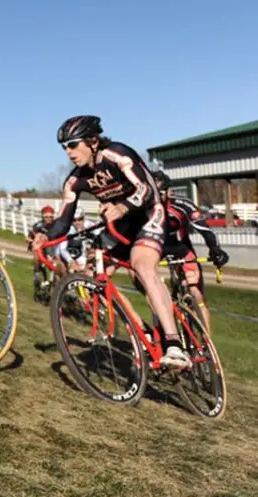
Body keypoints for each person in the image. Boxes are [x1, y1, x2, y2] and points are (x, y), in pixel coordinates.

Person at [32, 115, 190, 370]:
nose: (69, 153)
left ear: (93, 141)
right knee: (95, 277)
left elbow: (147, 190)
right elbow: (63, 220)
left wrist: (122, 206)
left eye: (73, 145)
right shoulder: (74, 180)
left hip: (148, 213)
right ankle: (144, 332)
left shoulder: (117, 155)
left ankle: (175, 346)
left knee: (142, 265)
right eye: (64, 148)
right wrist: (45, 238)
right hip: (121, 223)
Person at [153, 170, 228, 333]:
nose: (156, 199)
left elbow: (205, 229)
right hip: (155, 250)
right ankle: (161, 335)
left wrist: (215, 249)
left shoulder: (182, 205)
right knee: (155, 293)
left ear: (169, 192)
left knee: (196, 293)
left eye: (160, 194)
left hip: (181, 249)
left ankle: (208, 343)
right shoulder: (143, 208)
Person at [28, 205, 67, 289]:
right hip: (42, 248)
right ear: (43, 216)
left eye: (50, 216)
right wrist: (31, 241)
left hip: (54, 247)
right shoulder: (38, 226)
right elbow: (30, 237)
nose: (48, 218)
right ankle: (37, 273)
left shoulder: (57, 224)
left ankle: (58, 282)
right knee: (37, 255)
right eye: (46, 217)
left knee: (57, 265)